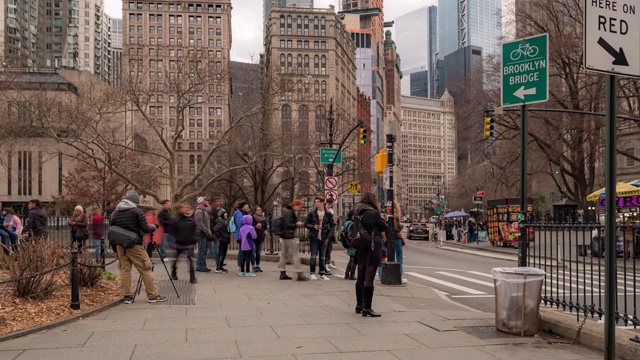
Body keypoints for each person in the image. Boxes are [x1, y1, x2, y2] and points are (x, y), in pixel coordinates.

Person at [110, 190, 166, 304]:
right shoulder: (137, 212)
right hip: (135, 245)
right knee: (146, 269)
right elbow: (145, 229)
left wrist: (115, 249)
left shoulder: (114, 213)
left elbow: (112, 233)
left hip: (121, 245)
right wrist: (153, 227)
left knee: (125, 271)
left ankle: (127, 296)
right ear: (134, 202)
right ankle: (152, 295)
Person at [354, 192, 388, 318]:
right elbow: (384, 226)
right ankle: (367, 307)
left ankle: (359, 304)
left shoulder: (357, 211)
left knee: (361, 272)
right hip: (373, 243)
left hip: (361, 243)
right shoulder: (373, 213)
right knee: (370, 273)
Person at [304, 197, 334, 280]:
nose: (316, 204)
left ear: (322, 203)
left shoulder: (328, 214)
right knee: (313, 255)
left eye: (318, 202)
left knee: (323, 256)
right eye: (315, 202)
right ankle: (312, 273)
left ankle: (322, 273)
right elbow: (306, 224)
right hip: (314, 237)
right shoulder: (312, 213)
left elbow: (332, 225)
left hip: (324, 237)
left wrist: (329, 236)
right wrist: (313, 227)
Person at [279, 199, 308, 281]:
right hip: (289, 235)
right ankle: (299, 273)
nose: (299, 208)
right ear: (295, 205)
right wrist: (296, 224)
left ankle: (282, 272)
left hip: (284, 235)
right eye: (299, 207)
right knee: (295, 254)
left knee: (283, 254)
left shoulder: (287, 211)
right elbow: (287, 224)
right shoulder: (290, 212)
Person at [171, 203, 198, 284]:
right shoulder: (176, 220)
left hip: (189, 242)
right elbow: (174, 231)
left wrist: (195, 241)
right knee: (176, 258)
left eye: (187, 207)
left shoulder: (191, 220)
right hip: (179, 242)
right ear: (180, 209)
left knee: (190, 258)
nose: (185, 209)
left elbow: (194, 231)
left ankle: (192, 277)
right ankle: (174, 271)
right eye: (183, 207)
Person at [194, 196, 214, 272]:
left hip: (203, 233)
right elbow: (199, 223)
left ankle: (202, 265)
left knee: (204, 250)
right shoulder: (199, 211)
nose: (208, 202)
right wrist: (206, 231)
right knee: (202, 250)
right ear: (202, 201)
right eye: (206, 200)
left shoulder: (203, 211)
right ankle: (200, 266)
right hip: (201, 233)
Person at [231, 201, 251, 275]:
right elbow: (240, 225)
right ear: (243, 206)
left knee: (243, 251)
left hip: (243, 234)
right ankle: (240, 267)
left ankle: (242, 267)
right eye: (246, 205)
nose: (247, 207)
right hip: (242, 235)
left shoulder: (243, 213)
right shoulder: (239, 214)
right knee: (242, 252)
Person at [393, 201, 407, 284]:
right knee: (399, 257)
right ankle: (400, 276)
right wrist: (401, 226)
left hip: (388, 238)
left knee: (388, 257)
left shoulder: (386, 215)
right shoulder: (395, 215)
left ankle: (382, 275)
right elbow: (397, 227)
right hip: (396, 237)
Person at [209, 196, 225, 270]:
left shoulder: (213, 209)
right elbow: (214, 219)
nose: (219, 203)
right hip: (214, 230)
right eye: (217, 201)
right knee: (216, 247)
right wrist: (220, 220)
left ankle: (218, 261)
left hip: (213, 229)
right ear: (214, 202)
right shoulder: (213, 209)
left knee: (214, 247)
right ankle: (217, 262)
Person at [251, 206, 268, 273]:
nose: (259, 211)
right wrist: (255, 227)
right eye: (258, 210)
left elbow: (265, 226)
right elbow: (251, 226)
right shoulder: (253, 217)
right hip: (254, 237)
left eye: (260, 210)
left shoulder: (263, 218)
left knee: (258, 252)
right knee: (253, 252)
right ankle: (253, 265)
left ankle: (258, 265)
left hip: (261, 237)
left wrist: (266, 230)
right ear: (255, 211)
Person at [343, 210, 357, 280]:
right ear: (353, 216)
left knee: (351, 259)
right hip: (352, 243)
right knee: (354, 259)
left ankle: (347, 274)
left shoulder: (347, 222)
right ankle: (352, 275)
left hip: (349, 242)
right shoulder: (351, 223)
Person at [325, 199, 338, 270]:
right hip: (326, 232)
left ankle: (328, 262)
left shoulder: (331, 210)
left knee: (329, 249)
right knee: (326, 249)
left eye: (330, 204)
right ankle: (325, 263)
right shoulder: (324, 211)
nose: (329, 206)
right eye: (328, 204)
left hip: (331, 232)